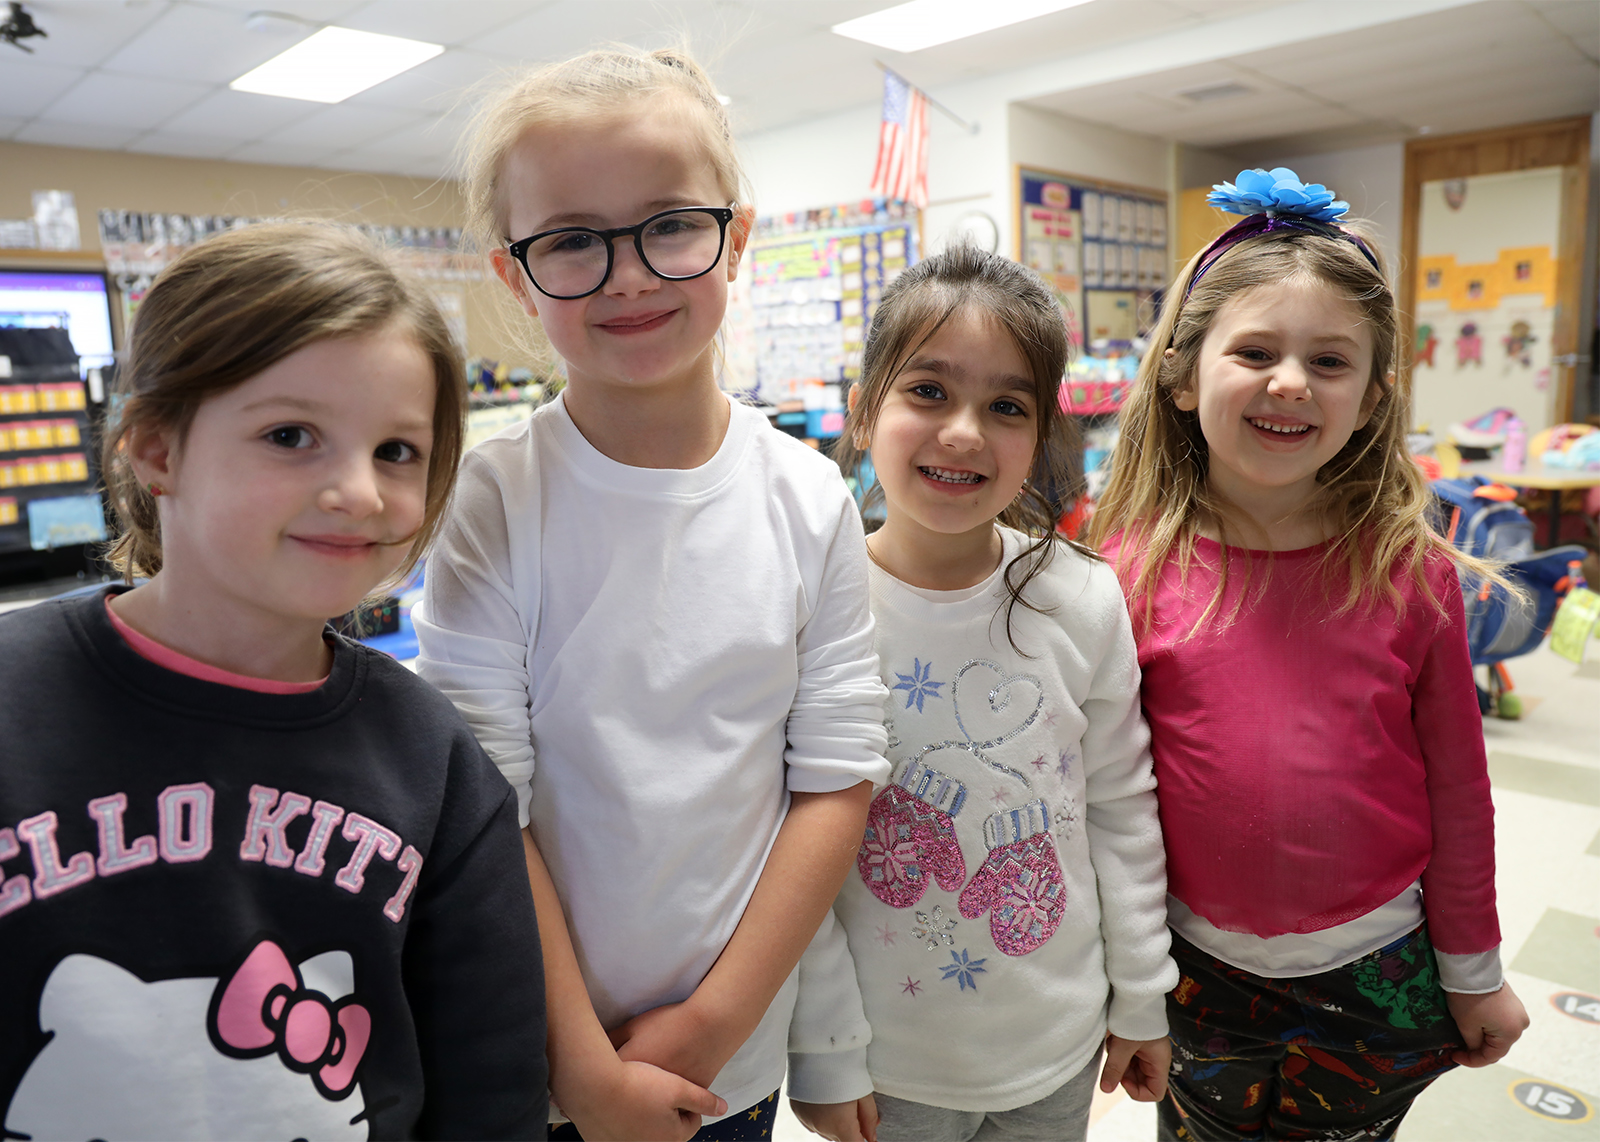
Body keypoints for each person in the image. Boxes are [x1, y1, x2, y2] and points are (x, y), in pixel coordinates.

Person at [415, 46, 890, 1142]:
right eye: (572, 239)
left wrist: (713, 1022)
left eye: (670, 225)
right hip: (534, 1053)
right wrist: (581, 1063)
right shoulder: (496, 500)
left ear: (737, 235)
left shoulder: (808, 496)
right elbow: (485, 807)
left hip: (726, 1056)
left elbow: (833, 779)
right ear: (514, 274)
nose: (627, 274)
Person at [0, 223, 548, 1139]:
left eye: (396, 452)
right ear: (157, 449)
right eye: (291, 435)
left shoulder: (435, 762)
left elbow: (491, 1079)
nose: (359, 492)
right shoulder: (14, 707)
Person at [1087, 169, 1530, 1141]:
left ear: (1372, 399)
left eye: (1328, 361)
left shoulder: (1410, 574)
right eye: (1253, 350)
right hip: (1193, 969)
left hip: (1376, 974)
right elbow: (1104, 799)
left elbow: (1459, 793)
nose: (1289, 380)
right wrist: (1119, 985)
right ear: (1178, 372)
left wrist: (1475, 970)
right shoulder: (1123, 571)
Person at [790, 246, 1178, 1142]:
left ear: (1039, 438)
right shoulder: (812, 608)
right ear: (860, 414)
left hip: (1058, 1041)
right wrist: (826, 1044)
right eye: (927, 390)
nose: (964, 431)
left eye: (1005, 406)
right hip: (892, 1065)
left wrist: (1143, 994)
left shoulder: (1080, 597)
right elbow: (786, 851)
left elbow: (1121, 810)